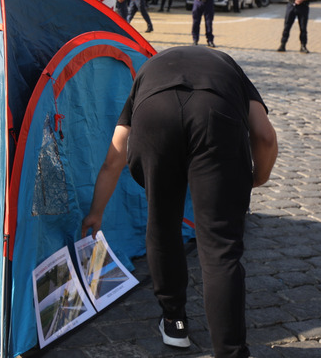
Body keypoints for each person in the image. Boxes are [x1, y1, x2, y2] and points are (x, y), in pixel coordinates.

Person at [81, 46, 278, 358]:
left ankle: (174, 322)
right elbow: (265, 136)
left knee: (162, 225)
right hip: (215, 116)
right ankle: (231, 352)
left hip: (154, 115)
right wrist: (258, 177)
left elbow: (115, 154)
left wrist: (96, 212)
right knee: (219, 248)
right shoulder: (230, 69)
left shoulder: (147, 74)